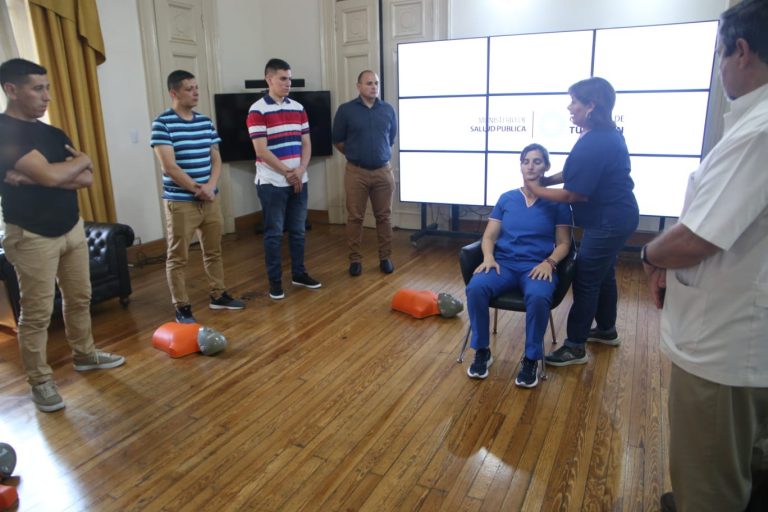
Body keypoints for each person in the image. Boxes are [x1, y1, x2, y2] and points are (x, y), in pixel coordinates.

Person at [641, 1, 768, 510]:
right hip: (741, 336)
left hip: (726, 346)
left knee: (709, 481)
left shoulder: (758, 132)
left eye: (720, 54)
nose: (719, 68)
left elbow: (697, 237)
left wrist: (650, 253)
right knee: (743, 458)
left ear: (742, 51)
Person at [0, 58, 125, 412]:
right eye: (37, 89)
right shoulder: (4, 131)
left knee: (80, 297)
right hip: (31, 235)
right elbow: (61, 175)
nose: (47, 97)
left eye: (48, 88)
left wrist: (39, 176)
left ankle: (85, 354)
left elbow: (86, 178)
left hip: (71, 227)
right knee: (37, 313)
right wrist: (73, 164)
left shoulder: (53, 134)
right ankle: (40, 381)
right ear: (11, 90)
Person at [526, 77, 639, 366]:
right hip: (616, 216)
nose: (569, 107)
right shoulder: (599, 134)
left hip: (609, 220)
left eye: (574, 102)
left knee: (586, 279)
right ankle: (606, 330)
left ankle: (575, 346)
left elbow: (575, 194)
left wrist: (536, 189)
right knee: (604, 273)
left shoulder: (598, 141)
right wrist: (548, 180)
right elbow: (576, 172)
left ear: (591, 105)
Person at [465, 144, 571, 387]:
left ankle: (531, 359)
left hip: (537, 266)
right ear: (521, 166)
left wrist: (550, 262)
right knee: (476, 288)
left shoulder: (558, 202)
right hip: (504, 264)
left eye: (537, 161)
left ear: (546, 167)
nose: (531, 166)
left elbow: (564, 243)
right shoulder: (507, 198)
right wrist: (488, 257)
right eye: (526, 161)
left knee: (538, 296)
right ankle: (482, 351)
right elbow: (489, 236)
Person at [151, 70, 245, 323]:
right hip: (181, 202)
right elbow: (169, 167)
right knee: (178, 257)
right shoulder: (162, 124)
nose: (196, 92)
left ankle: (218, 295)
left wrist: (210, 186)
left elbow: (216, 158)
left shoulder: (205, 122)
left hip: (209, 199)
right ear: (174, 93)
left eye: (196, 87)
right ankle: (181, 306)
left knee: (213, 251)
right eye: (189, 89)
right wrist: (197, 189)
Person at [246, 58, 321, 299]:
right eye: (283, 78)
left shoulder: (298, 108)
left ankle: (299, 274)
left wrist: (300, 169)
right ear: (269, 79)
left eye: (289, 78)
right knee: (274, 234)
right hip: (272, 183)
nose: (288, 83)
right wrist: (287, 172)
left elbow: (306, 143)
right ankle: (275, 282)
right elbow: (261, 150)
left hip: (299, 179)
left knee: (298, 231)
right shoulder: (257, 110)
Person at [332, 70, 398, 276]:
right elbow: (338, 140)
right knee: (355, 218)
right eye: (369, 83)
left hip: (383, 171)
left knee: (384, 217)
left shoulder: (388, 109)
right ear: (358, 86)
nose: (374, 87)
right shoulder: (346, 110)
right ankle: (354, 260)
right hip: (356, 172)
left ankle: (385, 258)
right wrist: (355, 153)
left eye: (376, 83)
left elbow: (390, 138)